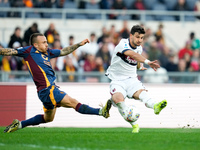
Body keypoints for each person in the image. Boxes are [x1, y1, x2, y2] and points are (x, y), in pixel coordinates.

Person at [2, 33, 112, 133]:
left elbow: (64, 51)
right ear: (35, 45)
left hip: (46, 91)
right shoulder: (28, 51)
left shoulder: (48, 52)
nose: (46, 44)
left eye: (46, 41)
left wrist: (78, 44)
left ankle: (20, 124)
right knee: (73, 102)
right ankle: (101, 112)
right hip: (48, 89)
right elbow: (10, 51)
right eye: (44, 42)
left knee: (48, 118)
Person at [105, 25, 167, 133]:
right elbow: (132, 54)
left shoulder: (139, 48)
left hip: (132, 80)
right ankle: (134, 125)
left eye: (142, 38)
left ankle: (155, 106)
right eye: (137, 37)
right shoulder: (122, 44)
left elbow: (136, 59)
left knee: (142, 93)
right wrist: (147, 62)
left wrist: (139, 66)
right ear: (131, 35)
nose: (140, 40)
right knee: (118, 100)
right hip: (117, 80)